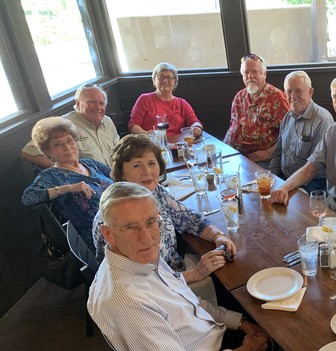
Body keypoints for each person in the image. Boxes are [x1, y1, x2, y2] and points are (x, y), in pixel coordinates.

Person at [88, 182, 315, 351]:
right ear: (108, 234)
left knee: (276, 327)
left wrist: (242, 324)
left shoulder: (137, 258)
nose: (147, 237)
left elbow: (189, 301)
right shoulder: (128, 300)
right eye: (130, 227)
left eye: (150, 221)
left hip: (203, 341)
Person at [92, 134, 234, 303]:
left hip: (176, 270)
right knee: (231, 283)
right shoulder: (113, 219)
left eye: (152, 163)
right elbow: (141, 283)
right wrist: (196, 273)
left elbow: (189, 218)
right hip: (161, 294)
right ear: (122, 174)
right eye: (137, 165)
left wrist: (218, 237)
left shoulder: (152, 191)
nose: (147, 171)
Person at [270, 74, 336, 227]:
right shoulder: (332, 132)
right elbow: (310, 168)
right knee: (288, 224)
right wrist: (284, 187)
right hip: (330, 204)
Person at [22, 117, 112, 249]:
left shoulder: (90, 163)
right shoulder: (50, 176)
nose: (67, 147)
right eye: (58, 144)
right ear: (47, 151)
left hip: (125, 219)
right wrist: (67, 188)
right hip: (103, 237)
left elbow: (119, 177)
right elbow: (27, 198)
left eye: (70, 141)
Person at [21, 84, 119, 168]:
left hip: (115, 177)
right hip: (90, 180)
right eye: (92, 102)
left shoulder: (107, 121)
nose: (98, 107)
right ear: (78, 104)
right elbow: (27, 152)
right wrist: (64, 170)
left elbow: (118, 152)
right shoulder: (64, 125)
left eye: (102, 103)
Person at [268, 70, 333, 193]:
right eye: (289, 91)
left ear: (310, 92)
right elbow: (277, 154)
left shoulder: (322, 120)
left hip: (311, 183)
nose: (293, 96)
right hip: (285, 178)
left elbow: (313, 168)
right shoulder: (287, 117)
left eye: (298, 91)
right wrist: (270, 177)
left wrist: (286, 187)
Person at [223, 53, 289, 167]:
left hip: (263, 160)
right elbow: (231, 130)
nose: (250, 76)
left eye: (254, 72)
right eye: (246, 72)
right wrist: (223, 152)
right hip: (236, 156)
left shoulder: (278, 98)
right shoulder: (239, 97)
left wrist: (268, 153)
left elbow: (291, 134)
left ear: (264, 74)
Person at [128, 62, 203, 138]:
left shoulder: (182, 103)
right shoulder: (144, 99)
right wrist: (148, 135)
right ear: (154, 80)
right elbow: (133, 125)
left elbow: (195, 122)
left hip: (178, 143)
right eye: (161, 77)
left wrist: (197, 128)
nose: (165, 80)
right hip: (152, 143)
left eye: (169, 77)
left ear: (175, 82)